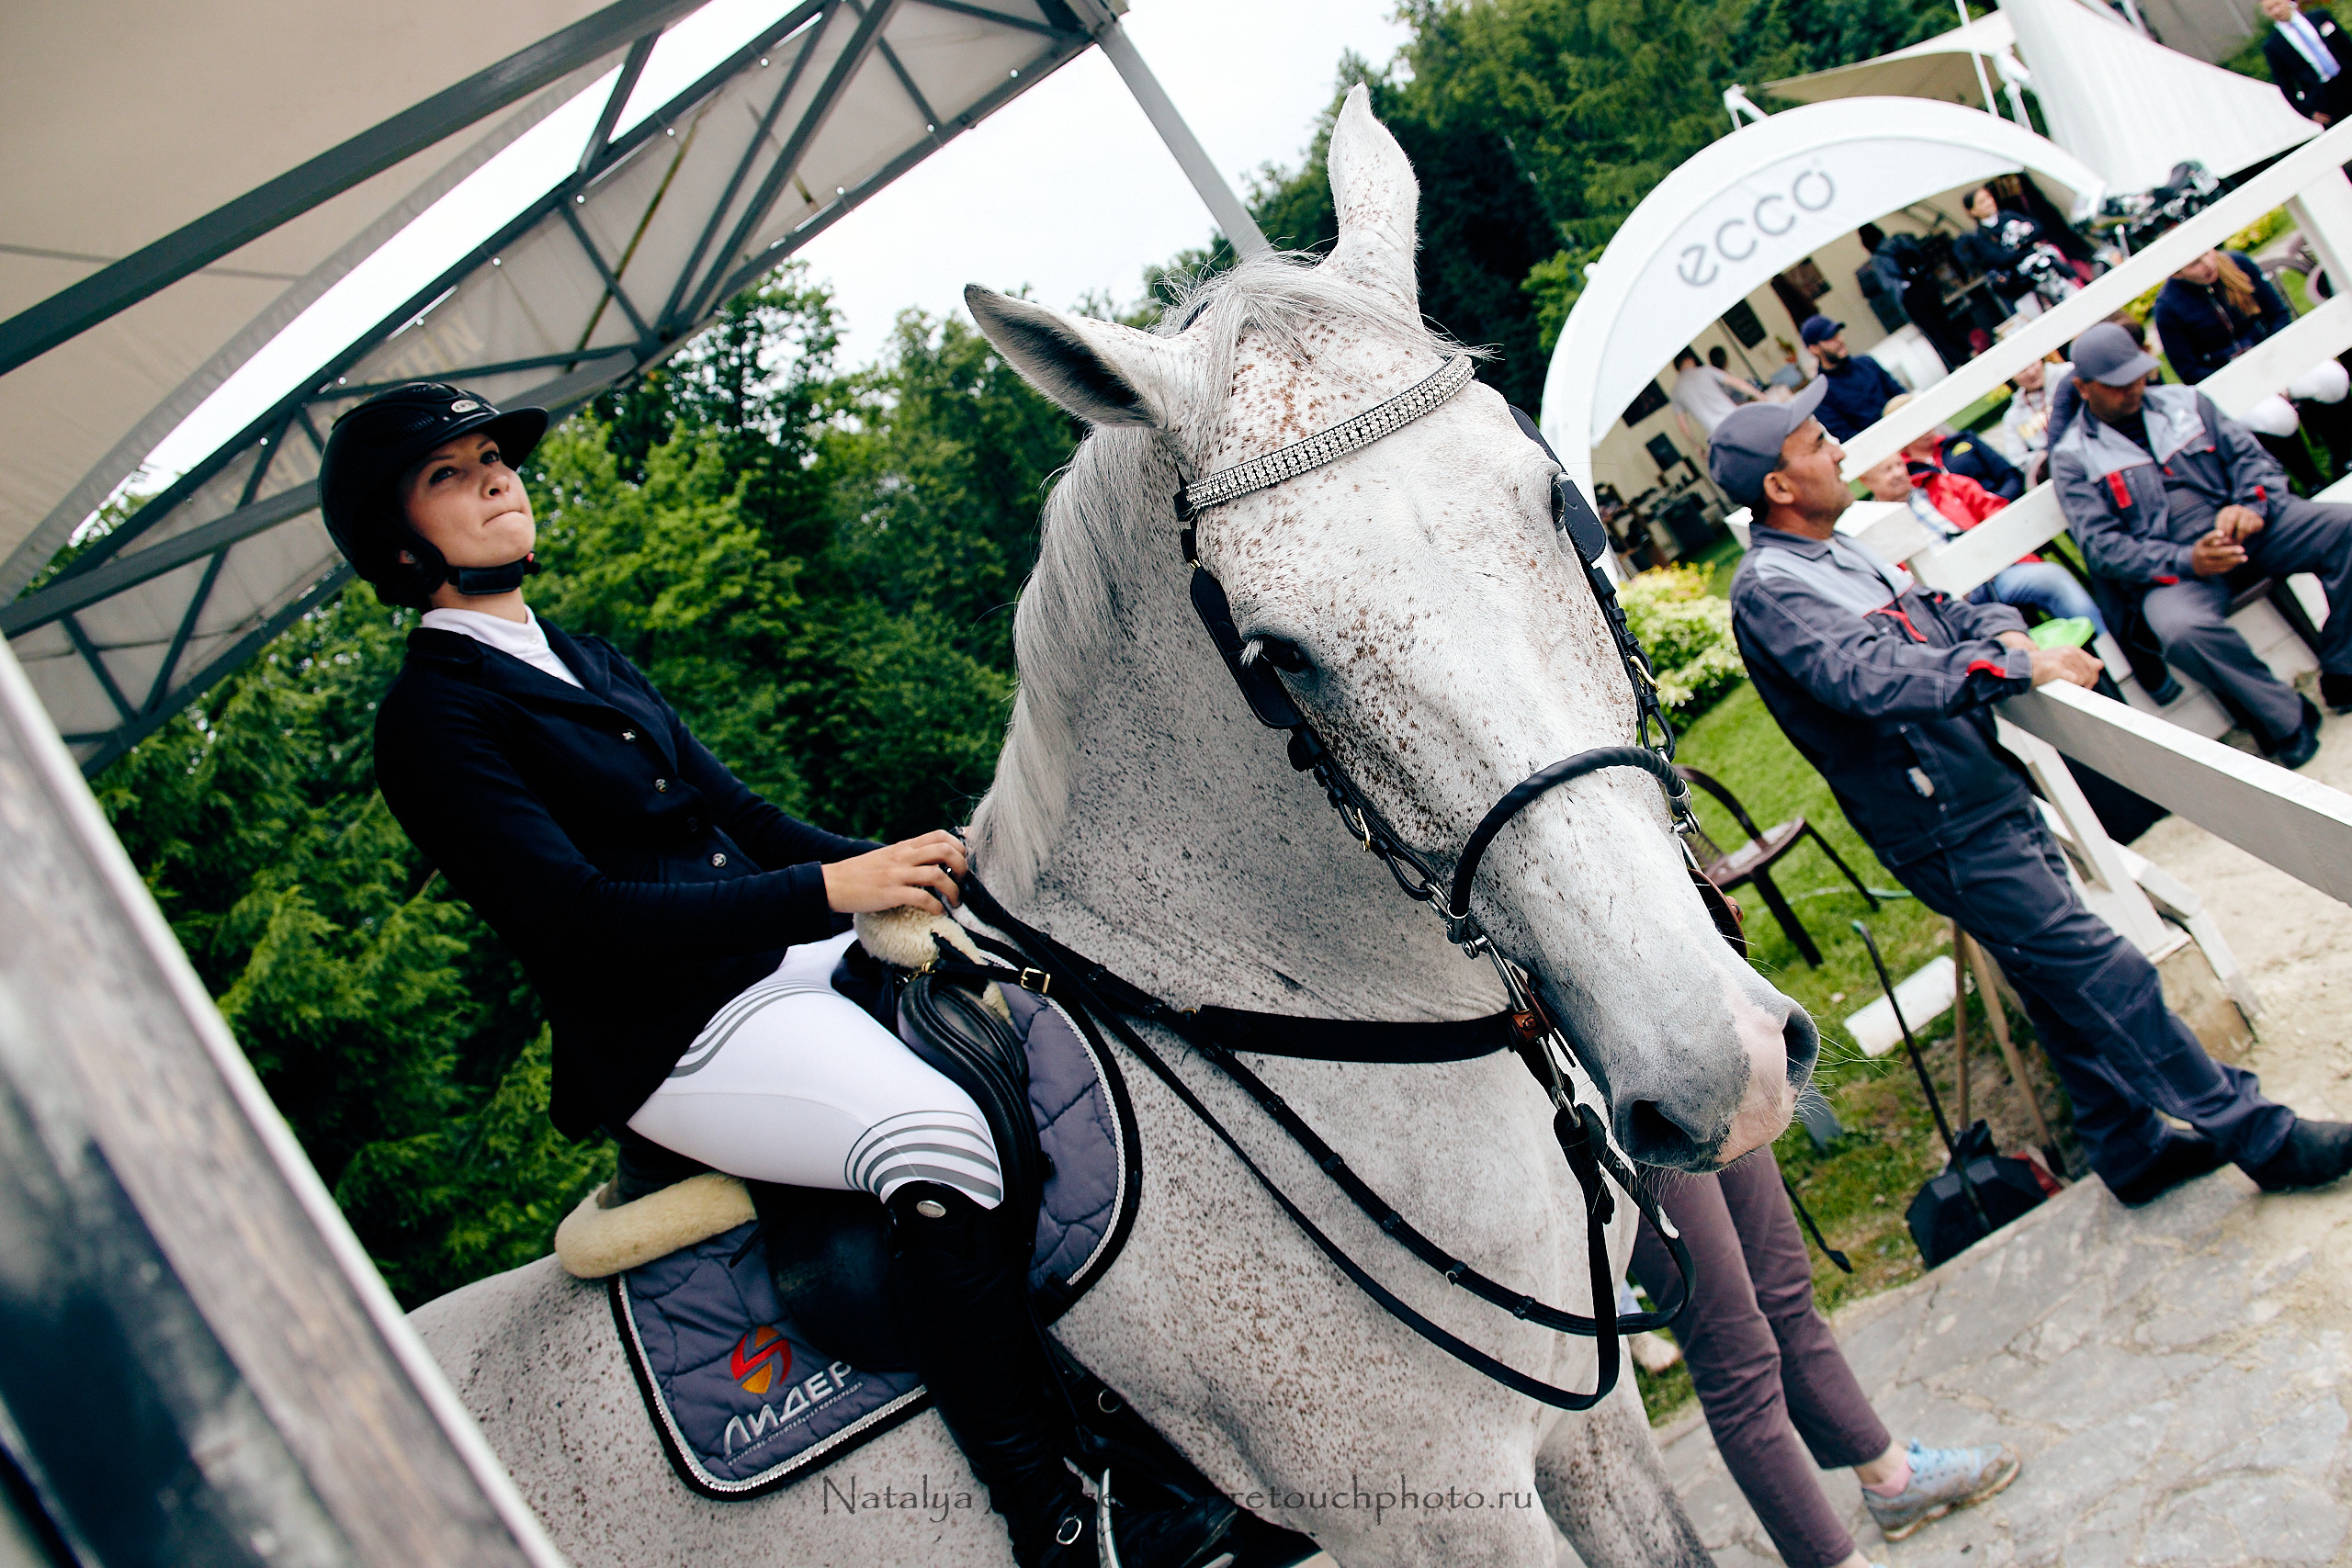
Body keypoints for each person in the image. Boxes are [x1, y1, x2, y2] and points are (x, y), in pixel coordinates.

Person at [319, 383, 1236, 1568]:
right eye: (451, 475)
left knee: (1056, 999)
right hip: (678, 1034)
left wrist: (901, 865)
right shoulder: (432, 721)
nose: (498, 479)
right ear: (398, 541)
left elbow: (738, 815)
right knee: (931, 1137)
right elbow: (578, 917)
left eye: (493, 457)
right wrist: (833, 896)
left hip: (771, 958)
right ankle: (1055, 1515)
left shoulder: (581, 657)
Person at [1712, 379, 2352, 1205]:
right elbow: (1871, 679)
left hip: (1978, 790)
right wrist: (2015, 660)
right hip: (1944, 823)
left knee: (2058, 984)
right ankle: (2260, 1135)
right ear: (1779, 486)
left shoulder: (1836, 552)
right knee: (2108, 970)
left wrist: (2006, 636)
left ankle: (2128, 1146)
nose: (1839, 449)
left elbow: (1952, 611)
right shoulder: (1773, 589)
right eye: (1817, 442)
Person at [1630, 1151, 2018, 1568]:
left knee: (1785, 1293)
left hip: (1715, 1088)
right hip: (1619, 1113)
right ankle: (1831, 1561)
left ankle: (1892, 1478)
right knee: (1731, 1352)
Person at [2050, 322, 2352, 766]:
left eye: (2137, 375)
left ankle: (2344, 667)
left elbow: (2253, 461)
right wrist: (2187, 559)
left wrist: (2250, 505)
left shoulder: (2186, 402)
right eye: (2117, 386)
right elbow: (2104, 549)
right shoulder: (2073, 458)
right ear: (2083, 387)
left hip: (2250, 531)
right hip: (2177, 569)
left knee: (2346, 527)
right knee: (2179, 631)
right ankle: (2283, 716)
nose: (2134, 389)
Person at [1857, 434, 2109, 637]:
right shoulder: (1871, 530)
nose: (1898, 473)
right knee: (1993, 637)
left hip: (1996, 574)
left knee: (2052, 579)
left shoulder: (1947, 484)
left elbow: (1995, 513)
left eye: (1899, 464)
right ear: (1866, 480)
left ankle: (2111, 655)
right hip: (1950, 604)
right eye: (1886, 470)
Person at [2153, 249, 2349, 480]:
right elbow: (2190, 371)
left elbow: (2278, 315)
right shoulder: (2167, 308)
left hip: (2278, 359)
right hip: (2234, 385)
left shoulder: (2238, 264)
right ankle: (2311, 481)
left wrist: (2276, 366)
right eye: (2194, 264)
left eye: (2206, 254)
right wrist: (2251, 381)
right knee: (2277, 417)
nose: (2207, 264)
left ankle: (2343, 457)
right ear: (2176, 273)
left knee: (2332, 379)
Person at [1802, 316, 1907, 441]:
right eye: (1830, 338)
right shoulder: (1821, 395)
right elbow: (1848, 436)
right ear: (1814, 349)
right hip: (1880, 450)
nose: (1840, 340)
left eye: (1837, 334)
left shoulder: (1867, 363)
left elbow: (1900, 394)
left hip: (1907, 429)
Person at [2261, 0, 2352, 125]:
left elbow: (2346, 45)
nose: (2276, 11)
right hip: (2324, 98)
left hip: (2347, 76)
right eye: (2270, 9)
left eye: (2278, 4)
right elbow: (2285, 85)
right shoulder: (2273, 45)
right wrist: (2308, 112)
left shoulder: (2319, 17)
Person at [2000, 357, 2070, 483]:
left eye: (2032, 364)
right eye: (2021, 371)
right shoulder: (2012, 416)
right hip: (2056, 472)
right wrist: (2043, 458)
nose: (2031, 373)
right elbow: (2017, 459)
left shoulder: (2067, 373)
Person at [1672, 344, 1761, 439]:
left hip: (1717, 433)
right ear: (1689, 360)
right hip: (1735, 419)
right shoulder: (1705, 371)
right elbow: (1738, 383)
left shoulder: (1675, 392)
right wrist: (1760, 396)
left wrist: (1696, 446)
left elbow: (1683, 426)